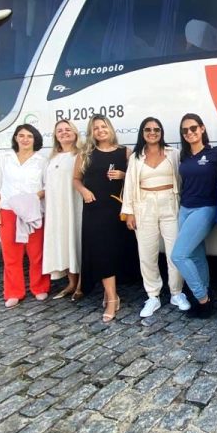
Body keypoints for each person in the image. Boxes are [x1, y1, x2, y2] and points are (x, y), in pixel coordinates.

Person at [122, 116, 189, 317]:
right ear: (142, 133)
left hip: (170, 203)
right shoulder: (135, 158)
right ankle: (153, 295)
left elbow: (184, 178)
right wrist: (129, 212)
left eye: (156, 129)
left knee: (174, 252)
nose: (152, 133)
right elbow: (129, 185)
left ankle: (177, 293)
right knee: (147, 253)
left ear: (161, 132)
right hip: (144, 206)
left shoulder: (173, 153)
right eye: (148, 129)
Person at [73, 115, 132, 322]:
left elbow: (136, 179)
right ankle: (112, 298)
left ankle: (110, 293)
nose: (100, 130)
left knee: (113, 253)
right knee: (101, 252)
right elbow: (76, 179)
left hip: (116, 210)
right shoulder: (85, 153)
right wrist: (84, 191)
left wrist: (123, 175)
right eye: (96, 128)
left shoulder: (125, 152)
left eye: (103, 126)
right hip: (94, 210)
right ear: (92, 132)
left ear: (110, 128)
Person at [170, 113, 217, 319]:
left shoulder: (214, 153)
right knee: (195, 254)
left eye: (193, 128)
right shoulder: (183, 156)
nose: (189, 133)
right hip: (185, 208)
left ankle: (202, 298)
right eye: (185, 130)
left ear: (202, 129)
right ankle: (206, 293)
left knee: (179, 255)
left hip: (205, 208)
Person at [0, 124, 49, 308]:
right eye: (21, 135)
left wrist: (32, 198)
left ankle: (39, 288)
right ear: (15, 138)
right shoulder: (4, 158)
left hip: (33, 211)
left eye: (29, 136)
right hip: (8, 211)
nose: (25, 139)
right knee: (11, 255)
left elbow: (47, 186)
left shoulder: (41, 160)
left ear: (35, 139)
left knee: (36, 253)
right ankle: (14, 292)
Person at [43, 120, 83, 300]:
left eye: (68, 129)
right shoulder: (51, 158)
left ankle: (81, 284)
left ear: (75, 133)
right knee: (63, 243)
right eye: (59, 130)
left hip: (75, 205)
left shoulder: (81, 154)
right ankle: (71, 283)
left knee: (77, 241)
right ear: (55, 136)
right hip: (56, 209)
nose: (64, 132)